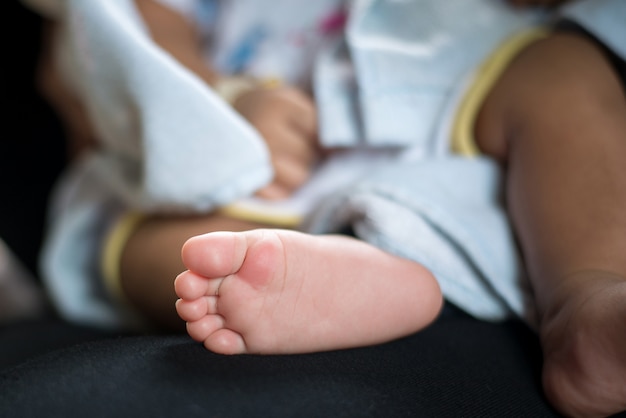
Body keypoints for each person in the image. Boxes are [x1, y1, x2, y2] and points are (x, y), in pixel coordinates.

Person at [24, 0, 625, 416]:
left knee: (561, 77)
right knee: (153, 241)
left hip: (443, 87)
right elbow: (135, 33)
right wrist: (223, 98)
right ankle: (301, 281)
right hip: (246, 161)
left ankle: (590, 288)